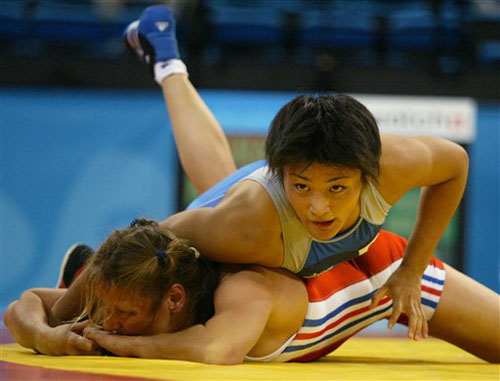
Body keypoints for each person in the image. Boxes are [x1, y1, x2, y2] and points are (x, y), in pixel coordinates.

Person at [4, 6, 499, 364]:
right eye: (301, 186)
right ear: (283, 172)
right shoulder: (244, 225)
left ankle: (168, 61)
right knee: (215, 200)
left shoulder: (395, 161)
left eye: (337, 189)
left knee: (218, 187)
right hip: (247, 220)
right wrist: (60, 322)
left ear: (369, 176)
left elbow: (454, 165)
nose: (319, 208)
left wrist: (412, 269)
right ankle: (170, 65)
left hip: (366, 263)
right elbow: (144, 237)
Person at [3, 219, 453, 363]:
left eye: (122, 313)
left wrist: (116, 342)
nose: (110, 322)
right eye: (108, 312)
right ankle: (82, 271)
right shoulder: (156, 264)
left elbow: (216, 348)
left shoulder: (245, 289)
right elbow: (21, 306)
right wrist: (47, 335)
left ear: (175, 299)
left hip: (379, 268)